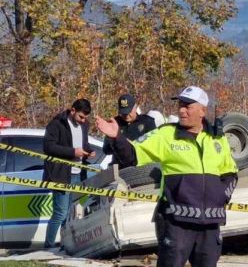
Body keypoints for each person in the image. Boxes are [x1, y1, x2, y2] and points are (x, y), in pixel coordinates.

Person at [95, 86, 237, 267]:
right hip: (176, 221)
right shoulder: (166, 134)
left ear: (203, 110)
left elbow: (231, 173)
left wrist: (220, 197)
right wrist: (117, 137)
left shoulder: (218, 139)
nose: (181, 110)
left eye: (188, 106)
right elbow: (132, 155)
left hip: (210, 223)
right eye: (180, 105)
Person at [43, 98, 96, 248]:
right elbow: (48, 147)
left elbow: (84, 144)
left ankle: (63, 245)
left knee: (70, 213)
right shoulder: (56, 124)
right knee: (60, 213)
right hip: (60, 174)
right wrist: (73, 152)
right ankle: (48, 246)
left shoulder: (84, 124)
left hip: (79, 174)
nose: (83, 120)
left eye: (85, 117)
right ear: (72, 110)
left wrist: (89, 151)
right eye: (80, 116)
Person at [103, 93, 156, 167]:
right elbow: (106, 150)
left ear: (135, 107)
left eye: (129, 112)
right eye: (123, 113)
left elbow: (154, 147)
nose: (126, 116)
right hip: (119, 167)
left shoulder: (147, 122)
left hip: (141, 167)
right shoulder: (115, 123)